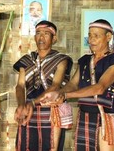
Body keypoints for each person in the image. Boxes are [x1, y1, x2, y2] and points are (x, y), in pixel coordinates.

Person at [41, 19, 114, 151]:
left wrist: (65, 94)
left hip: (106, 117)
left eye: (96, 36)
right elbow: (73, 83)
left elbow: (100, 87)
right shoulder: (85, 60)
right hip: (85, 115)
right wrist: (58, 94)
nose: (91, 40)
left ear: (108, 37)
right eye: (89, 35)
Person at [13, 20, 73, 151]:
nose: (41, 37)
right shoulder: (26, 60)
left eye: (46, 34)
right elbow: (20, 86)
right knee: (26, 146)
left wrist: (33, 103)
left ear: (54, 38)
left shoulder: (61, 60)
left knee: (50, 147)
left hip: (50, 110)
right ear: (34, 37)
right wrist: (22, 105)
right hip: (28, 110)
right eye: (38, 33)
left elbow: (55, 86)